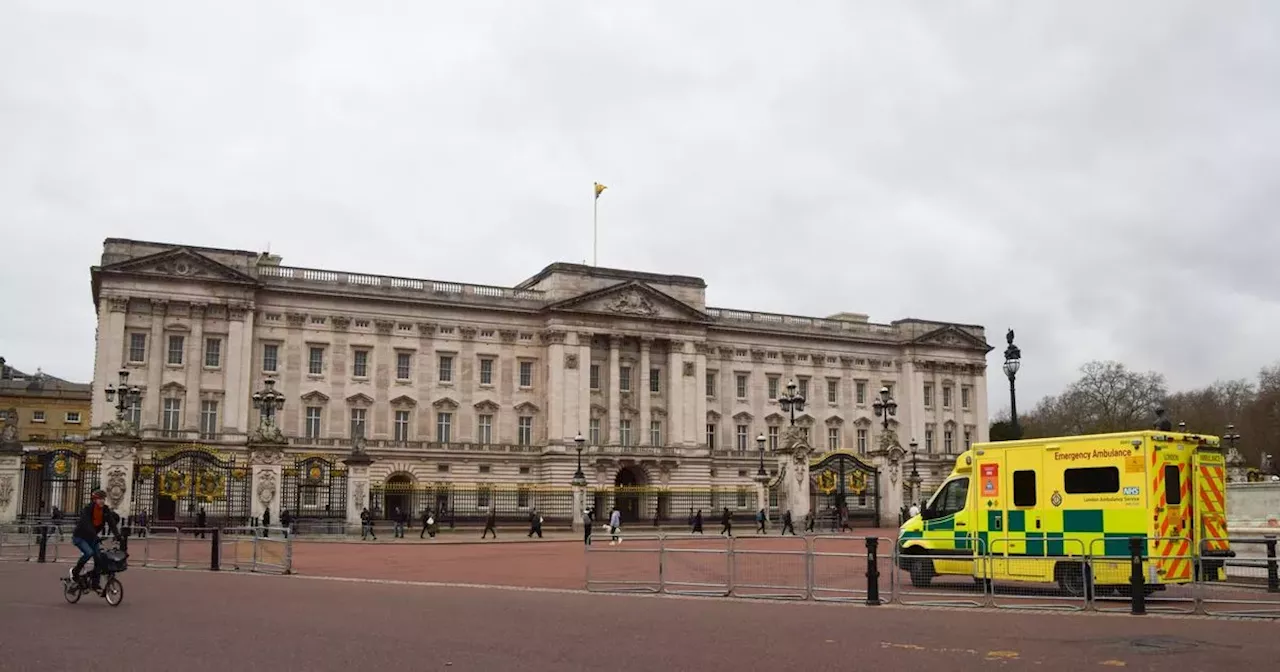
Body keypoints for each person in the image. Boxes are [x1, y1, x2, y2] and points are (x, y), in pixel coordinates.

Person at [70, 490, 120, 590]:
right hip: (80, 537)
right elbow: (87, 524)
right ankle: (75, 572)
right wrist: (95, 535)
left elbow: (111, 523)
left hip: (92, 537)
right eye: (100, 499)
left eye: (103, 499)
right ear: (95, 500)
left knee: (99, 558)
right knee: (89, 553)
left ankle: (95, 583)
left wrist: (117, 535)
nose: (102, 501)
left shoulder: (105, 510)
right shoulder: (87, 509)